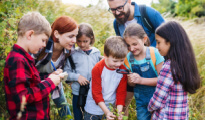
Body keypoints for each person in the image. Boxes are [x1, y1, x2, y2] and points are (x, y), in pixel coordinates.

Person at [3, 12, 63, 120]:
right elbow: (23, 97)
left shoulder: (25, 58)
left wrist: (50, 77)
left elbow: (31, 83)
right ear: (30, 34)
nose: (44, 45)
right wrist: (50, 83)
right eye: (43, 40)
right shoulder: (17, 60)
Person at [148, 21, 201, 120]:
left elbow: (158, 100)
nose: (156, 46)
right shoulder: (185, 63)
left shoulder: (168, 67)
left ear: (170, 42)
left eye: (158, 42)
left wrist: (150, 108)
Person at [33, 16, 78, 118]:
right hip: (36, 84)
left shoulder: (69, 49)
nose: (74, 40)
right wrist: (48, 78)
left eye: (76, 36)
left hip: (54, 81)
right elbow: (26, 73)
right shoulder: (42, 46)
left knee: (64, 108)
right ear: (57, 34)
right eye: (70, 36)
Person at [123, 23, 164, 120]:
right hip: (141, 103)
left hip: (158, 100)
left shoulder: (155, 53)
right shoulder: (127, 59)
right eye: (128, 45)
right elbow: (131, 85)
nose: (131, 49)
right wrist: (131, 81)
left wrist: (141, 80)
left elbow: (163, 80)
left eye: (135, 44)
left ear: (144, 39)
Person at [84, 36, 128, 120]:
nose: (118, 64)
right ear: (105, 56)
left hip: (110, 109)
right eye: (115, 61)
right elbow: (96, 93)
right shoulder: (97, 69)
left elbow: (121, 93)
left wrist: (119, 112)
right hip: (93, 110)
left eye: (122, 60)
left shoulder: (122, 70)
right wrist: (106, 112)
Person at [64, 23, 101, 120]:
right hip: (78, 92)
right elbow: (66, 73)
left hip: (92, 93)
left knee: (91, 115)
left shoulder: (96, 53)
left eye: (85, 41)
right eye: (79, 41)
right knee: (78, 115)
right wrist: (77, 77)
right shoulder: (73, 54)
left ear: (91, 38)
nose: (82, 44)